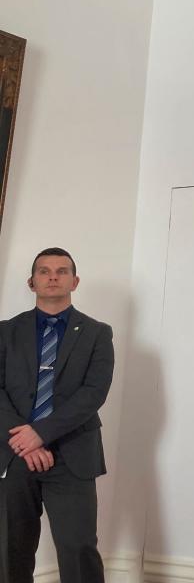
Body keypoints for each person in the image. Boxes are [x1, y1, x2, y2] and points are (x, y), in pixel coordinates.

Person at [0, 247, 114, 583]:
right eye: (44, 271)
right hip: (14, 453)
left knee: (78, 547)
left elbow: (94, 393)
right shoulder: (5, 331)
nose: (53, 276)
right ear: (31, 282)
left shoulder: (97, 333)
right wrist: (26, 439)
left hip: (72, 455)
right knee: (10, 550)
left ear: (75, 281)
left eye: (62, 271)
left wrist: (42, 433)